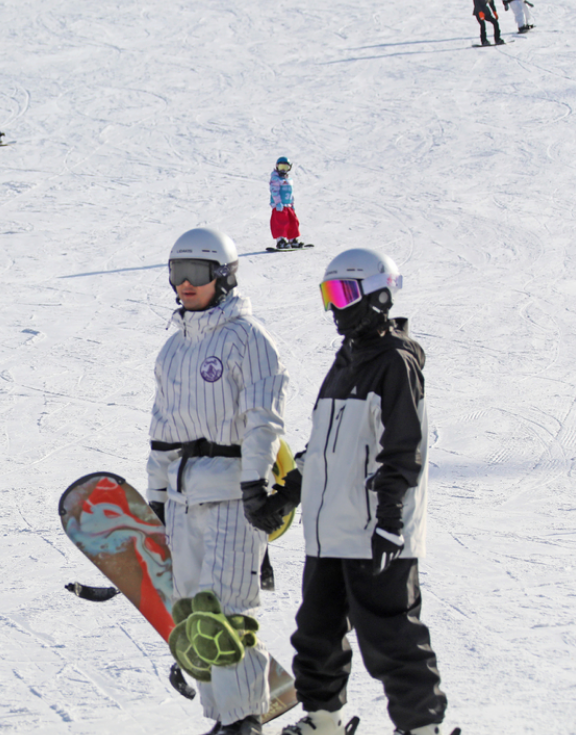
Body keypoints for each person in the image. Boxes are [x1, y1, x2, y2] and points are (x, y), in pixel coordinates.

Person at [278, 248, 447, 735]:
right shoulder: (346, 360)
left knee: (391, 637)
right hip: (329, 530)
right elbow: (326, 447)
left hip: (374, 530)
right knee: (316, 633)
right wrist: (290, 490)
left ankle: (421, 729)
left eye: (344, 293)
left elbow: (404, 448)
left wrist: (390, 520)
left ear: (379, 296)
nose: (335, 306)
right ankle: (323, 721)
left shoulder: (394, 363)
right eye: (328, 294)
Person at [145, 228, 289, 735]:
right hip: (184, 495)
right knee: (192, 610)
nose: (185, 284)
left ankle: (245, 718)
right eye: (176, 272)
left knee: (226, 609)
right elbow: (163, 433)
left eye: (198, 273)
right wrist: (156, 499)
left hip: (232, 494)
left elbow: (263, 420)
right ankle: (226, 715)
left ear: (224, 276)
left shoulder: (248, 338)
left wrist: (255, 487)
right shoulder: (172, 350)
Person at [270, 157, 302, 249]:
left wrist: (292, 204)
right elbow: (274, 191)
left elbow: (290, 193)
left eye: (285, 167)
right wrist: (278, 202)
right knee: (281, 223)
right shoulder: (275, 179)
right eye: (281, 167)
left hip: (288, 205)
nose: (283, 170)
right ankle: (280, 240)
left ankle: (292, 239)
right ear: (277, 167)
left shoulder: (289, 179)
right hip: (279, 206)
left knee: (293, 222)